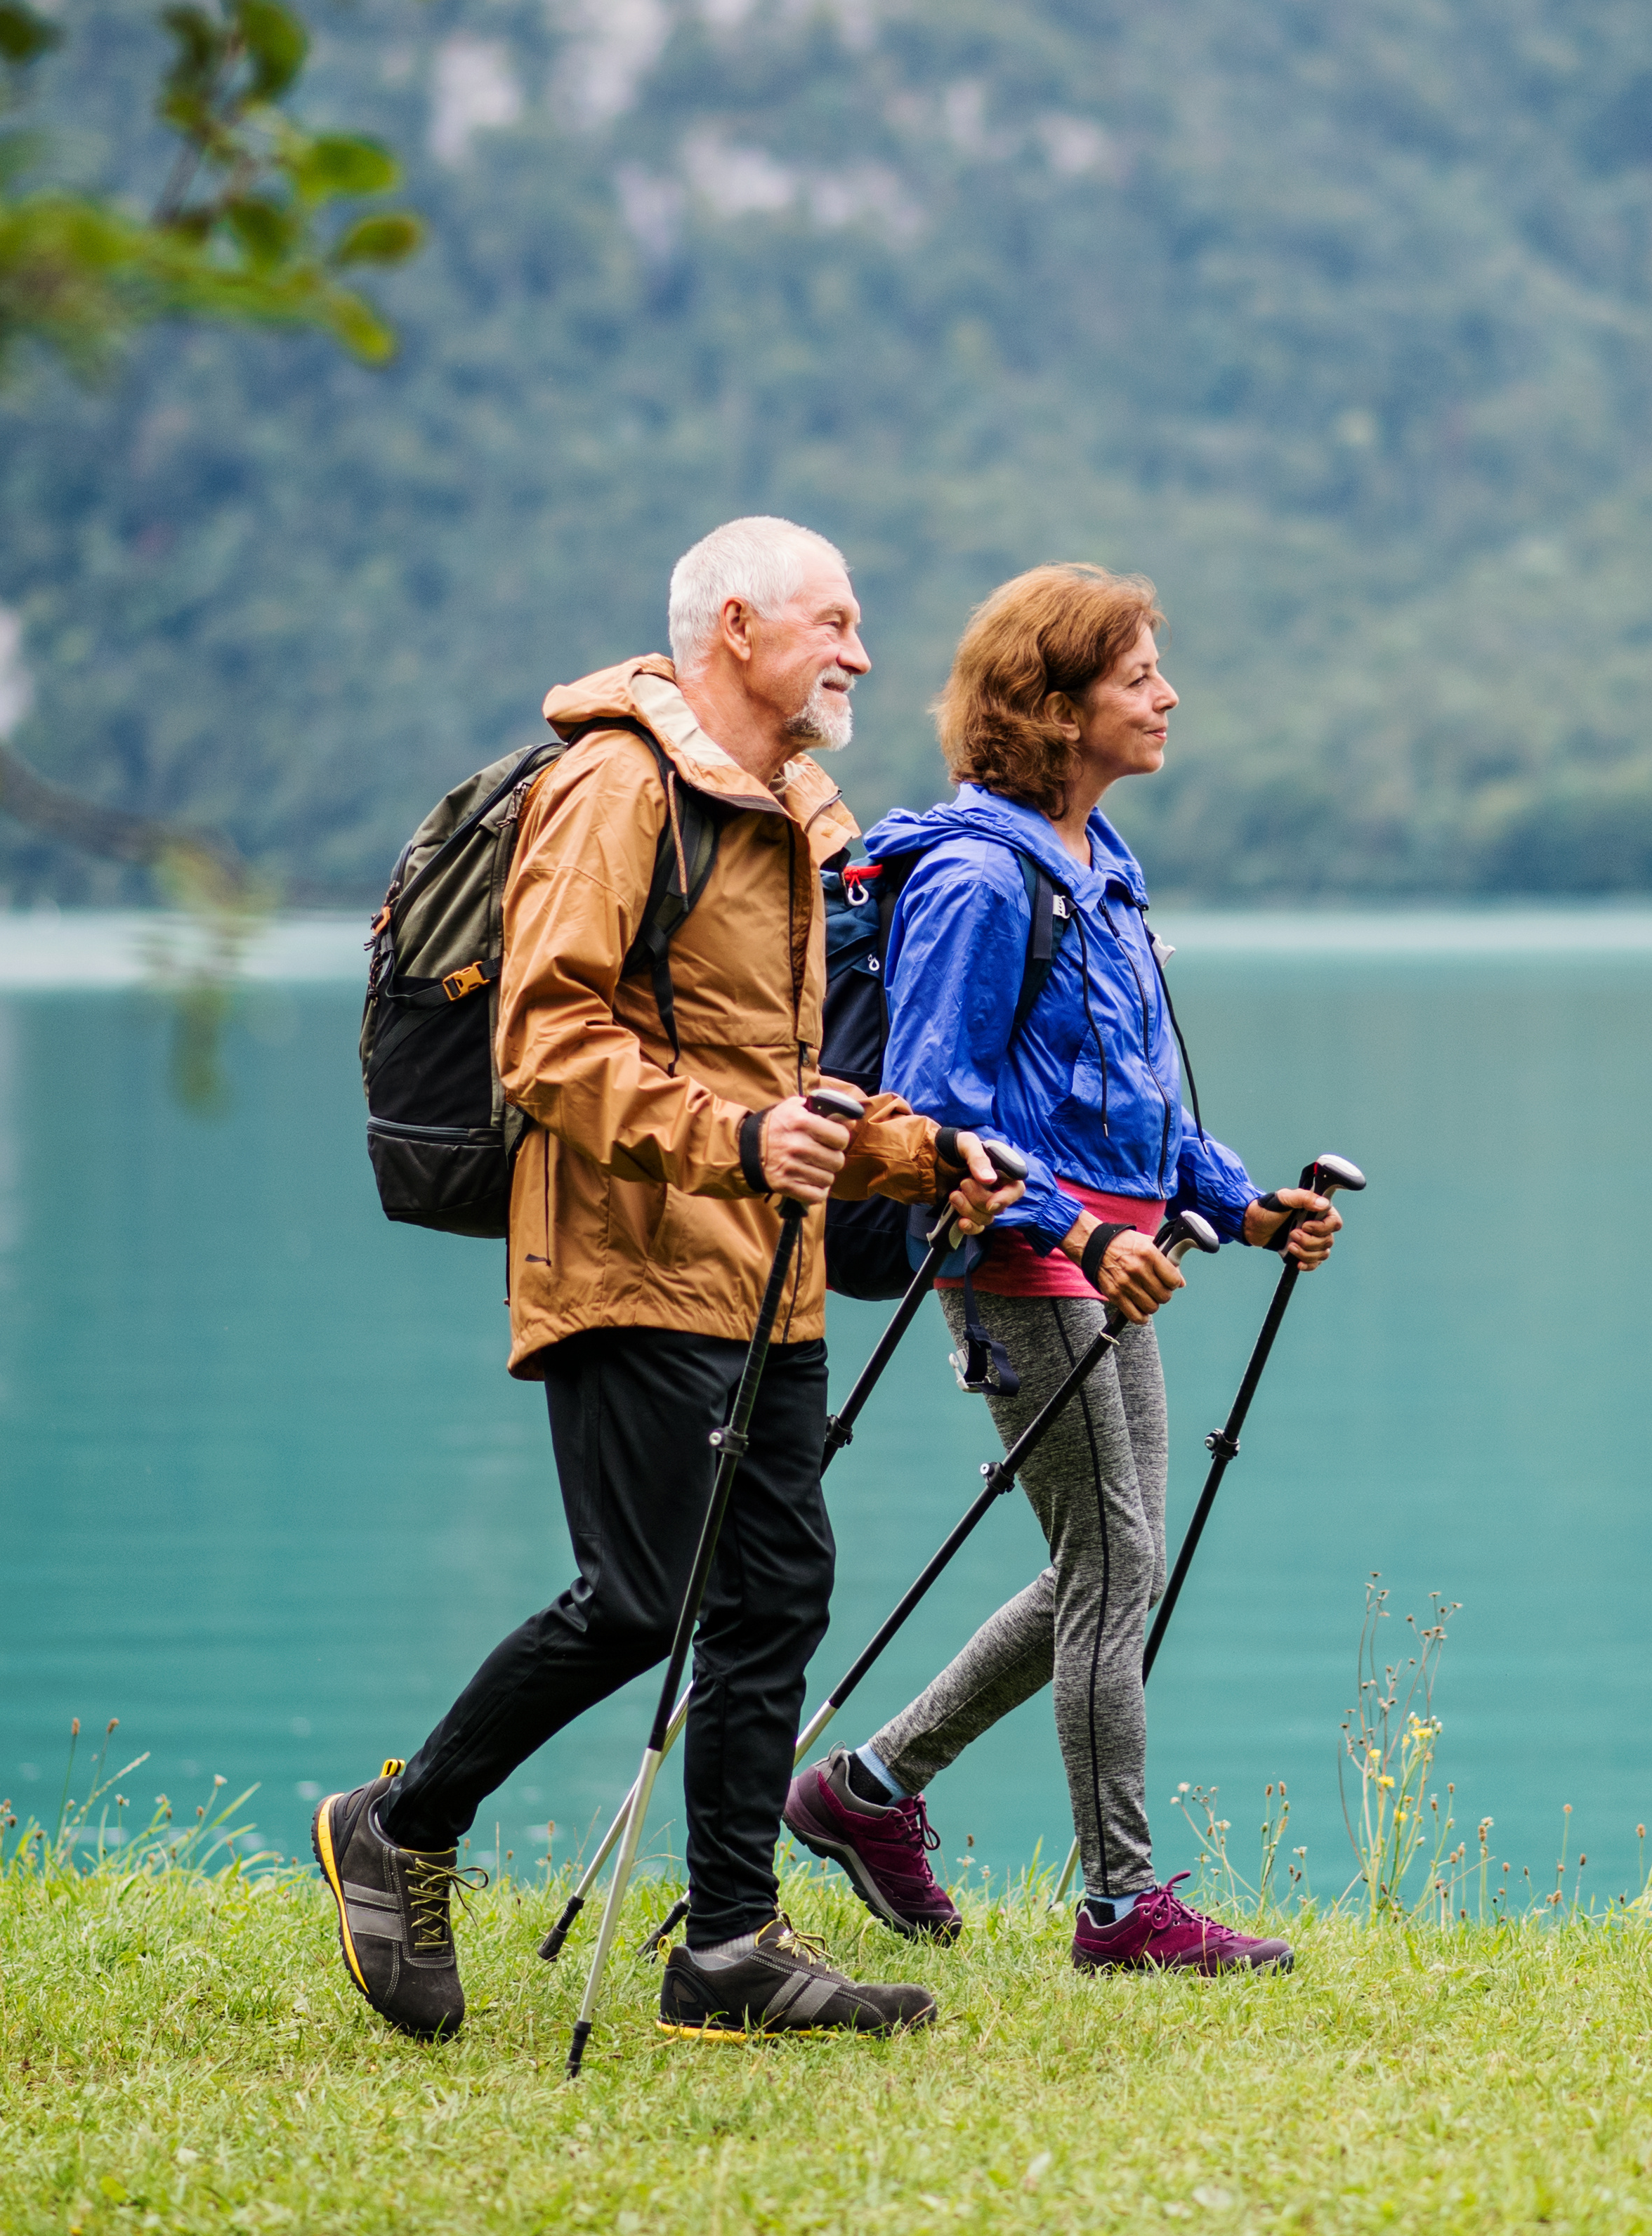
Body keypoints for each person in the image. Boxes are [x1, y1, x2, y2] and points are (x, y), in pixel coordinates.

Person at [313, 516, 1022, 2044]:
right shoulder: (617, 785)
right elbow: (549, 1046)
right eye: (833, 622)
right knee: (642, 1602)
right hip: (625, 1260)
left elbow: (787, 1080)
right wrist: (741, 1137)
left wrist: (926, 1156)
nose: (860, 653)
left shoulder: (785, 809)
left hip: (759, 1272)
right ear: (738, 628)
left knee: (778, 1592)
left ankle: (726, 1948)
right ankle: (402, 1823)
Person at [780, 563, 1342, 1974]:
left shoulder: (1097, 867)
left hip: (1112, 1264)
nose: (1165, 694)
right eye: (1137, 673)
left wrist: (1239, 1204)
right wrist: (1073, 1234)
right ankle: (1121, 1910)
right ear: (1052, 702)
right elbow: (933, 1113)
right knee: (1112, 1563)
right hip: (1025, 1269)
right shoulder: (976, 881)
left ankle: (863, 1792)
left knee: (1107, 1564)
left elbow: (1133, 1102)